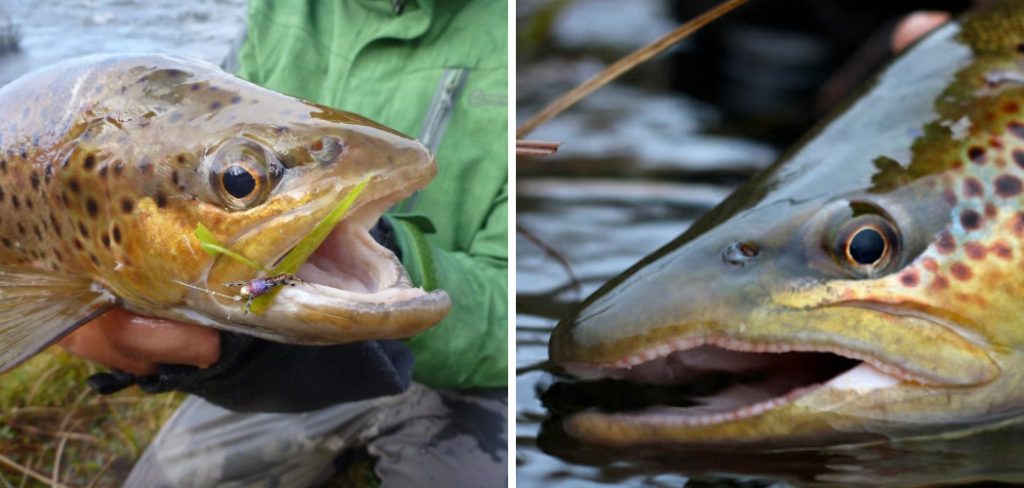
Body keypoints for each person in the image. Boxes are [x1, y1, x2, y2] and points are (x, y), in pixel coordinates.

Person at [59, 0, 508, 485]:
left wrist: (391, 258)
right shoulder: (279, 10)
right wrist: (160, 314)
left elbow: (506, 322)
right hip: (287, 353)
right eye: (241, 179)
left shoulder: (511, 35)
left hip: (466, 389)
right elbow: (186, 156)